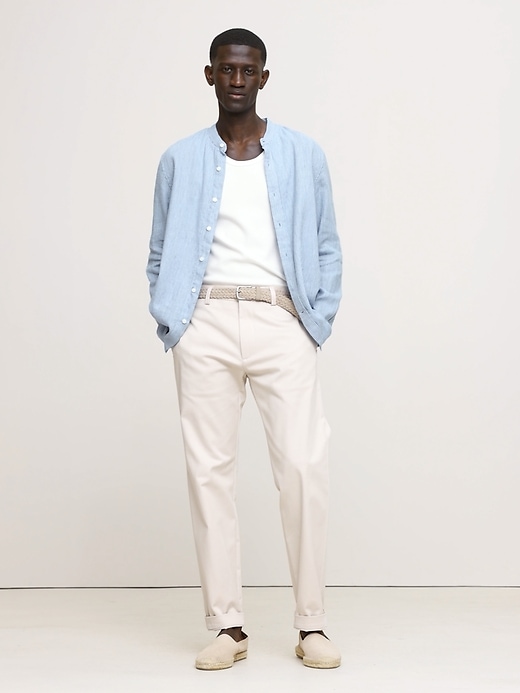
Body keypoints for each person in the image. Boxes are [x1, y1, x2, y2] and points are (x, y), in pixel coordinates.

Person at [147, 28, 342, 670]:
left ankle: (311, 625)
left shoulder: (304, 155)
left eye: (248, 70)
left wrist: (316, 319)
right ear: (210, 75)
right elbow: (159, 251)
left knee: (304, 469)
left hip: (281, 317)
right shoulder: (179, 159)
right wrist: (174, 320)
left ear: (264, 76)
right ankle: (227, 627)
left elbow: (326, 243)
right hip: (202, 320)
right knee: (209, 474)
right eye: (226, 70)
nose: (237, 80)